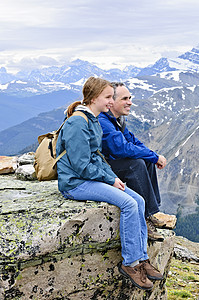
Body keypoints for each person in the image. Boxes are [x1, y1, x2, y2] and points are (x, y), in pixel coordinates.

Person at [56, 77, 163, 291]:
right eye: (108, 97)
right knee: (129, 204)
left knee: (139, 200)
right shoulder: (78, 122)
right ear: (94, 98)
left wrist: (112, 179)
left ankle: (141, 258)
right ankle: (130, 263)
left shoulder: (93, 118)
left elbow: (97, 157)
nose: (110, 101)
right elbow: (80, 165)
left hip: (88, 177)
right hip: (75, 183)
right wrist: (108, 178)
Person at [98, 82, 176, 242]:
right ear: (112, 102)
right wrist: (154, 157)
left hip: (110, 164)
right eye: (125, 98)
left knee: (146, 161)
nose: (130, 102)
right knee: (136, 164)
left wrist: (153, 156)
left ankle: (152, 212)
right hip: (101, 168)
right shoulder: (103, 121)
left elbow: (132, 141)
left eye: (130, 98)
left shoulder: (116, 120)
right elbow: (121, 148)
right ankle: (145, 220)